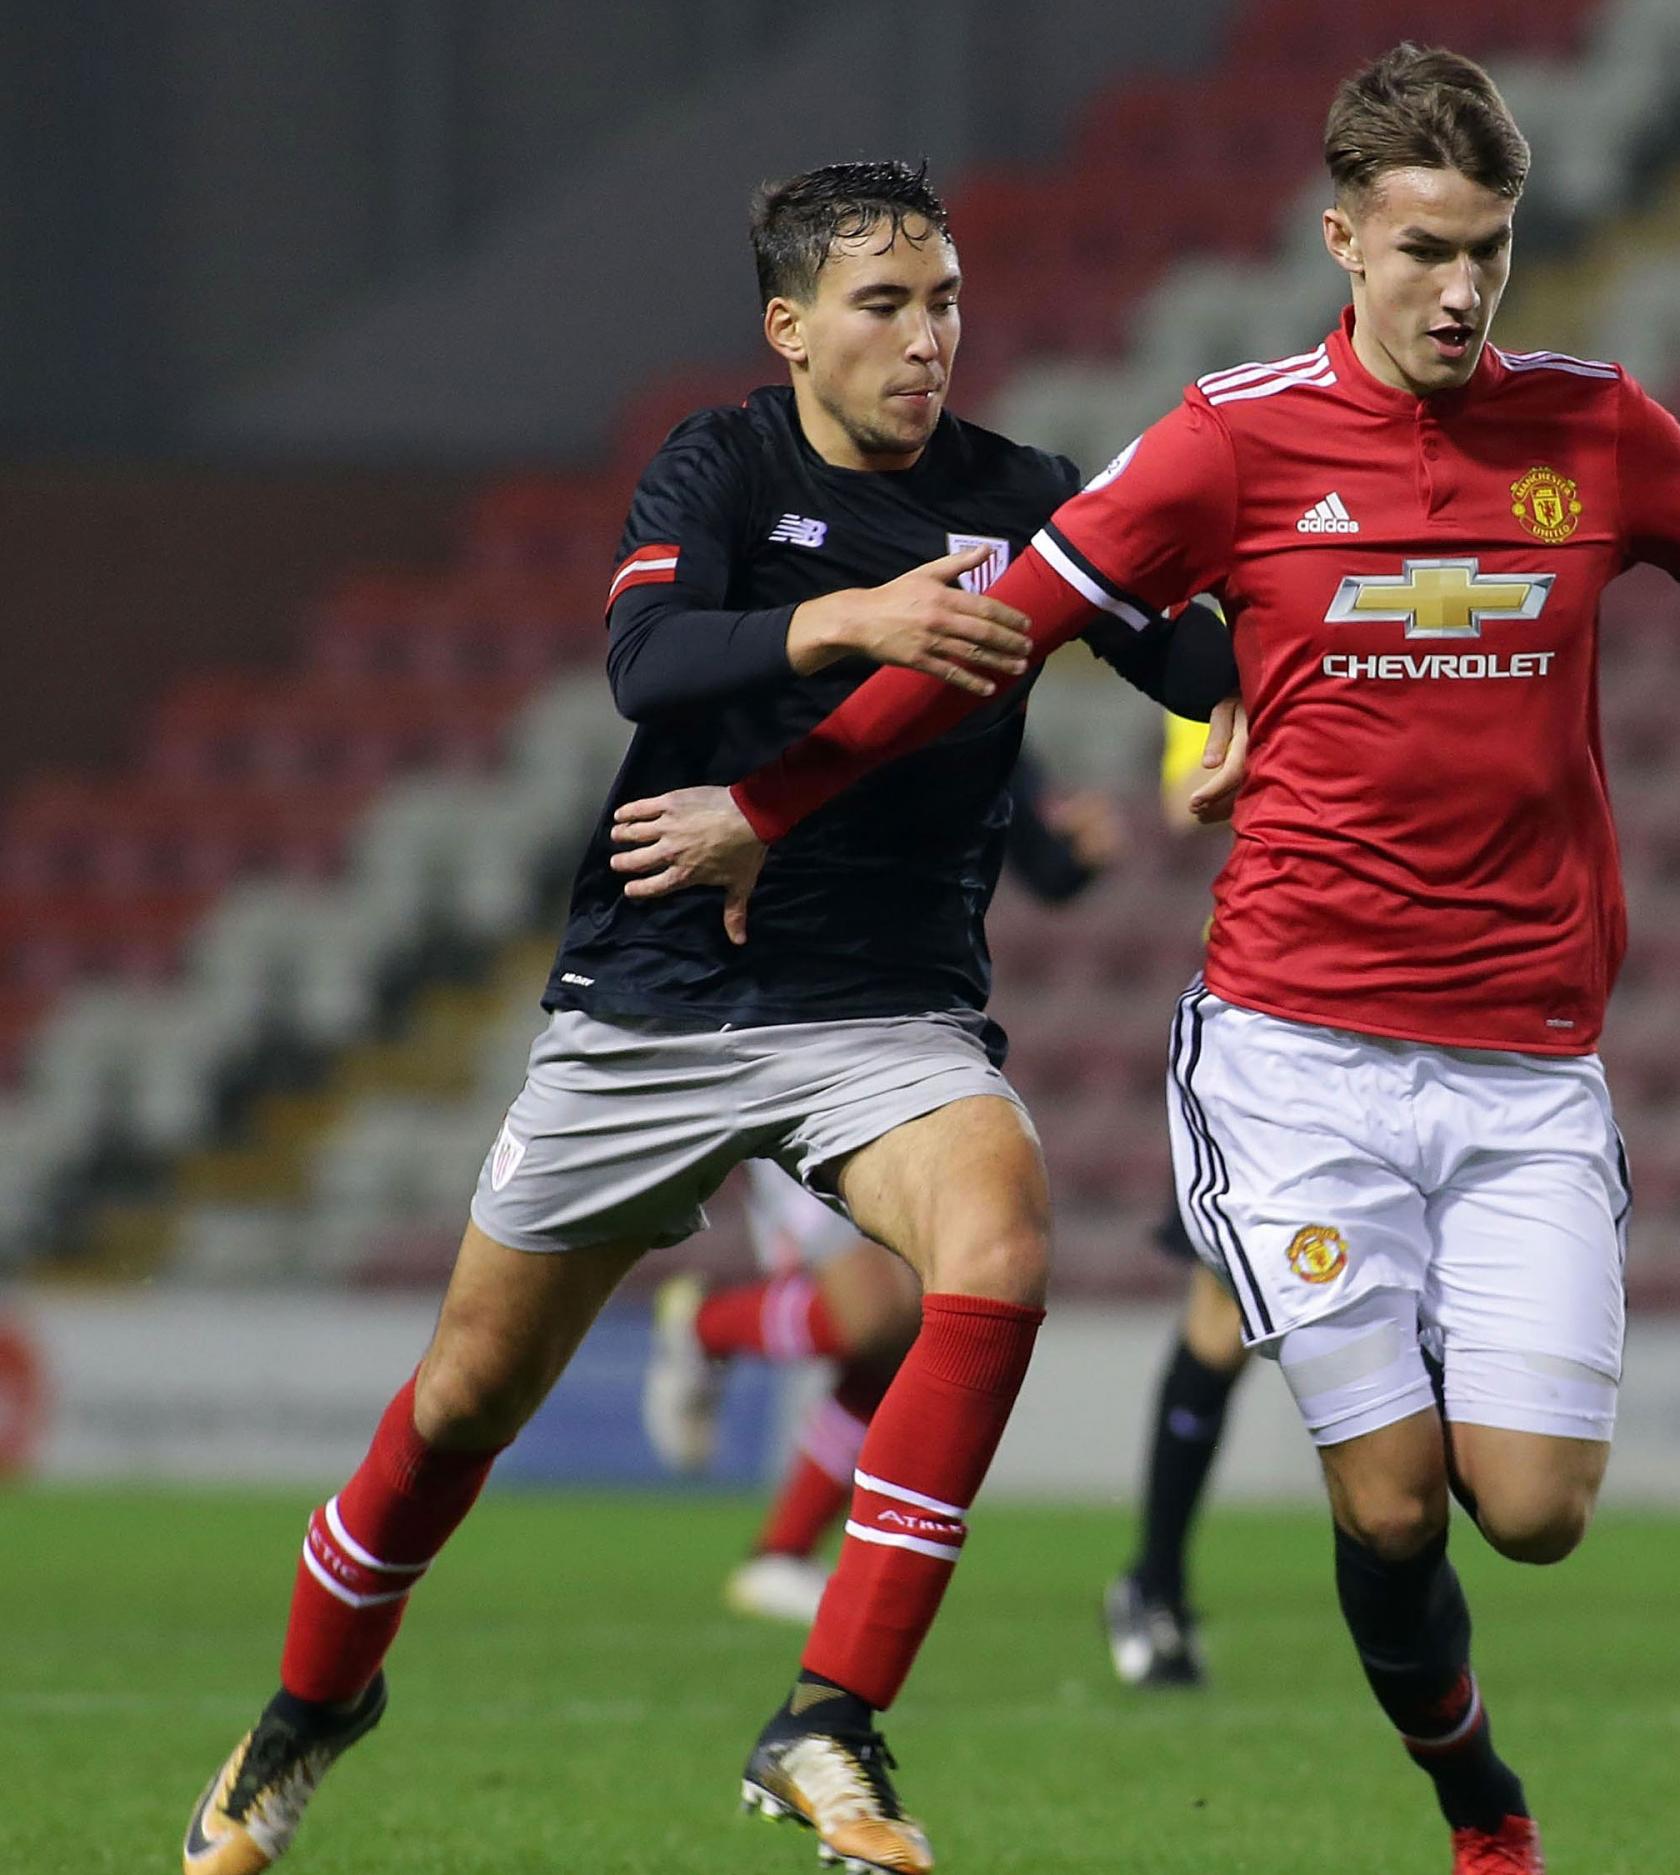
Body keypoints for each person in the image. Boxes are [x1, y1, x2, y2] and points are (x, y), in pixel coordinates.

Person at [603, 49, 1680, 1875]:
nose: (1464, 290)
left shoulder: (1598, 429)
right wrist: (773, 803)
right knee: (1390, 1507)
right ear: (1343, 243)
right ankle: (1486, 1813)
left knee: (1529, 1514)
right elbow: (999, 635)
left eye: (1494, 251)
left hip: (1529, 1061)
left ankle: (1421, 1603)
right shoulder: (1228, 439)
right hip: (1297, 1058)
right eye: (1429, 250)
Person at [180, 160, 1241, 1875]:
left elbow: (1191, 655)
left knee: (999, 1243)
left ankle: (831, 1719)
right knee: (462, 1401)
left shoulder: (1026, 499)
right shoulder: (723, 461)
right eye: (884, 306)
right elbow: (650, 666)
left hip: (885, 1009)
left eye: (946, 300)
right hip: (659, 995)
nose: (925, 339)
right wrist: (853, 619)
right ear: (791, 327)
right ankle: (309, 1710)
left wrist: (1266, 693)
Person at [640, 756, 1127, 1625]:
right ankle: (708, 1325)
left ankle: (780, 1551)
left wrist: (1078, 855)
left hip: (909, 1035)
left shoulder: (986, 699)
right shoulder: (813, 678)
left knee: (908, 1319)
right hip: (793, 1025)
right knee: (881, 1310)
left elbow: (1041, 864)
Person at [1102, 714, 1254, 1689]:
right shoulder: (1257, 599)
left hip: (1438, 997)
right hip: (1274, 1006)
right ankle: (1153, 1582)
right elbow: (1185, 794)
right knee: (1222, 1308)